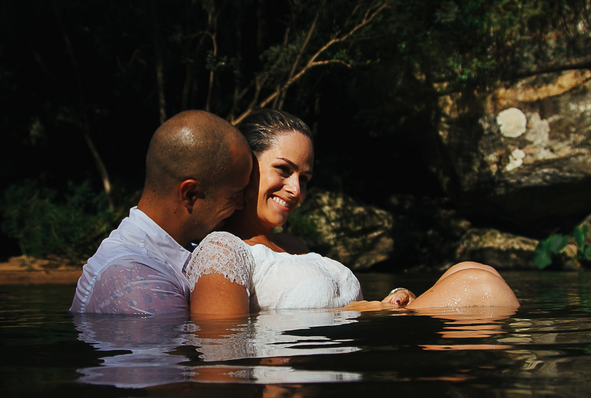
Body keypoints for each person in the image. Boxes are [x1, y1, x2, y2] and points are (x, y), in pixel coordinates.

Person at [184, 110, 519, 317]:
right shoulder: (223, 250)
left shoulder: (294, 245)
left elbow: (335, 309)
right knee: (480, 286)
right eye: (283, 170)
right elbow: (221, 348)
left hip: (342, 365)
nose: (296, 189)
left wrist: (388, 303)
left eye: (305, 178)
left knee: (471, 268)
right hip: (290, 386)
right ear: (245, 166)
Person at [70, 110, 252, 315]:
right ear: (191, 194)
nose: (241, 205)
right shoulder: (133, 279)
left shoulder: (181, 252)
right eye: (235, 195)